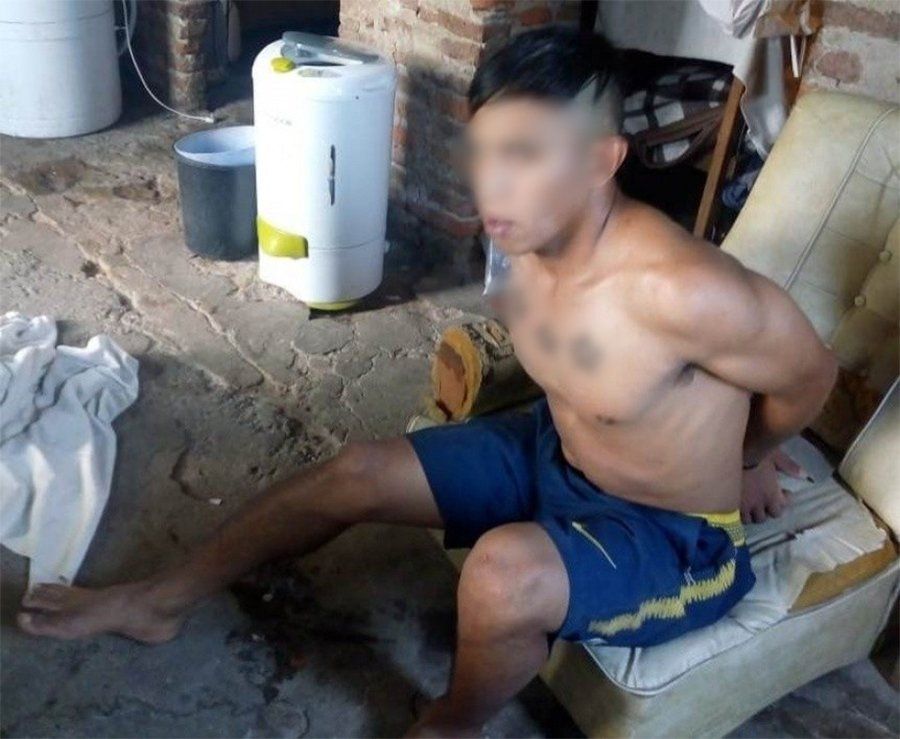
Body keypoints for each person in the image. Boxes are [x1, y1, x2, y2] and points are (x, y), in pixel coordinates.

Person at [17, 28, 837, 738]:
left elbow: (810, 376)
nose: (491, 189)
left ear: (601, 162)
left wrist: (746, 457)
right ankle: (161, 600)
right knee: (356, 470)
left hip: (672, 535)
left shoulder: (687, 290)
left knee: (501, 574)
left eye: (524, 157)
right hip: (557, 452)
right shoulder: (521, 241)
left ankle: (452, 720)